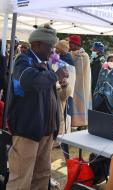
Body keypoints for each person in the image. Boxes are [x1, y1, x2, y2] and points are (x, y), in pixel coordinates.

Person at [6, 24, 68, 190]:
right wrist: (54, 75)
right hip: (28, 130)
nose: (53, 52)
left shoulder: (45, 62)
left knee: (42, 175)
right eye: (50, 47)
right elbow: (30, 81)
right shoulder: (23, 60)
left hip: (46, 129)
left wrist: (60, 83)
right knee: (21, 177)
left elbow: (46, 90)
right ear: (37, 44)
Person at [69, 35, 91, 129]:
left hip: (79, 85)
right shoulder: (78, 54)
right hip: (76, 84)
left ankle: (80, 123)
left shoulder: (82, 55)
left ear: (76, 44)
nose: (69, 45)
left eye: (71, 43)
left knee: (79, 104)